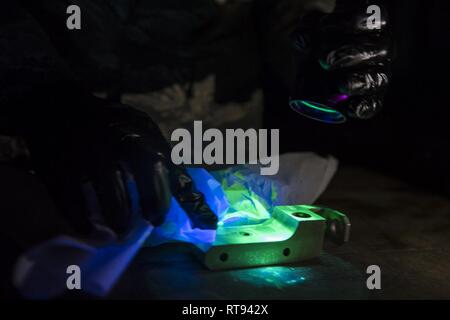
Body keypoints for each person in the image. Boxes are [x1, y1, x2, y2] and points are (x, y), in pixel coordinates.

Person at [0, 0, 390, 297]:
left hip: (219, 137)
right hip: (58, 141)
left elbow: (291, 13)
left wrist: (316, 42)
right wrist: (41, 92)